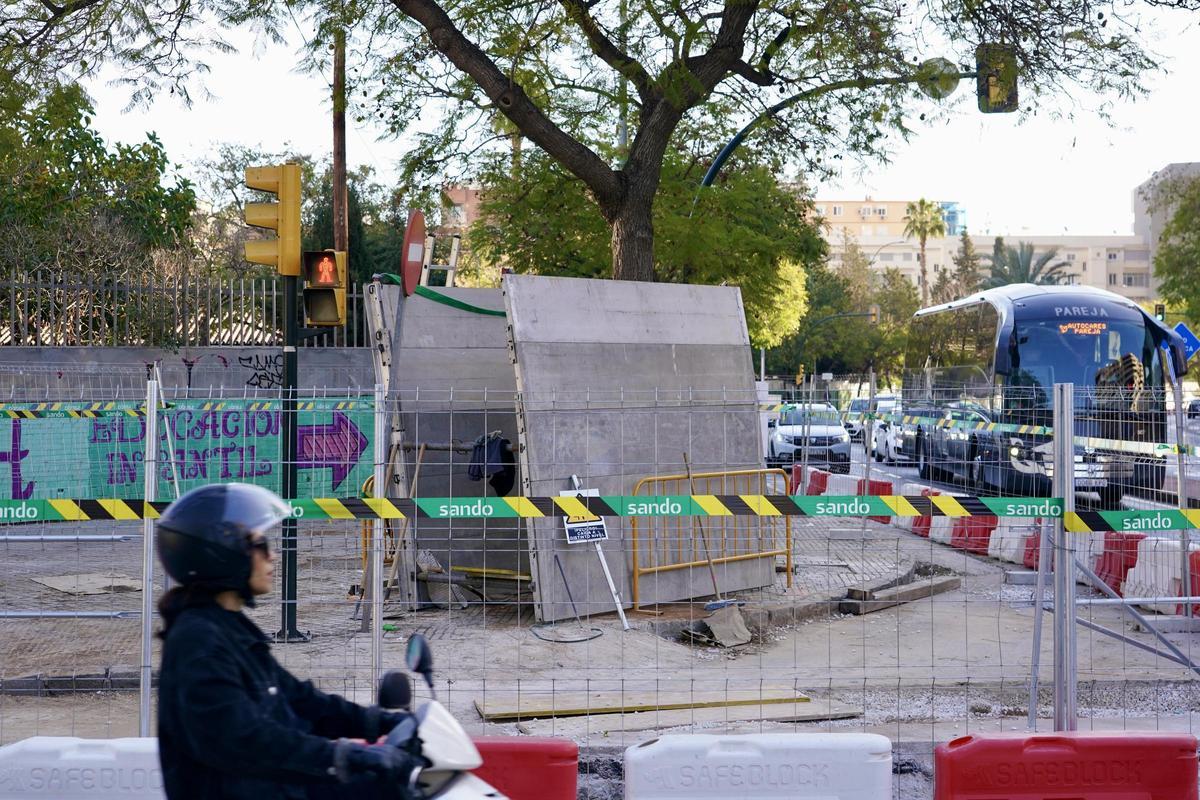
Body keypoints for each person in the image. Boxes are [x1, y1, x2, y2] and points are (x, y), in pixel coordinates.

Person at [155, 483, 422, 800]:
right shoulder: (197, 642)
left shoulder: (230, 628)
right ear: (222, 555)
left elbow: (300, 700)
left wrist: (379, 721)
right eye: (259, 545)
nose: (273, 556)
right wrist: (345, 757)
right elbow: (245, 740)